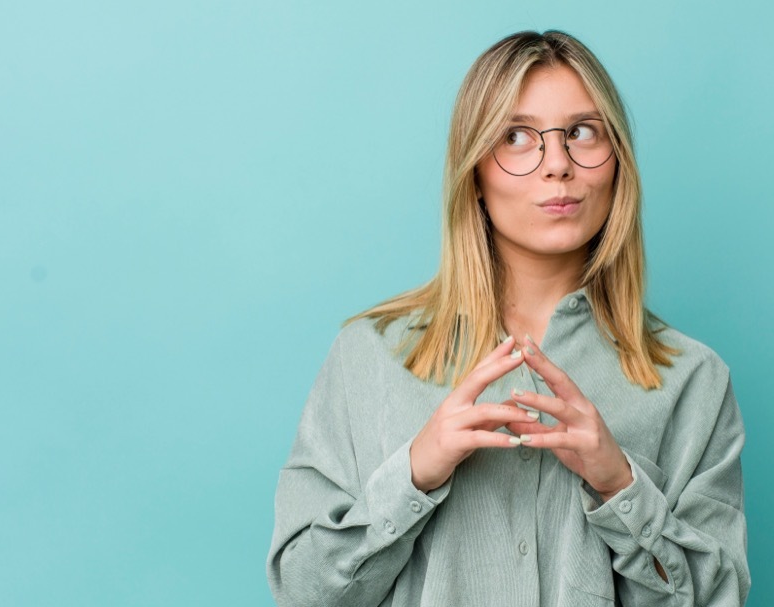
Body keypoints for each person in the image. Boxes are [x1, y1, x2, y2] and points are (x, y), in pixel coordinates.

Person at [267, 30, 749, 607]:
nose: (558, 166)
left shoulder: (693, 379)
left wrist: (619, 483)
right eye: (517, 137)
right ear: (474, 171)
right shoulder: (369, 356)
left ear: (617, 159)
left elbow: (715, 599)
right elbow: (301, 593)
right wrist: (414, 474)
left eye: (581, 132)